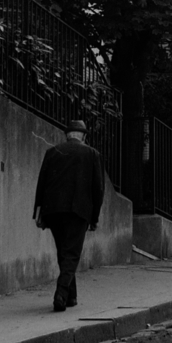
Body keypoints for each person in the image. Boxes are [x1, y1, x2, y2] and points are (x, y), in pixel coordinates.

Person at [33, 119, 105, 312]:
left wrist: (39, 213)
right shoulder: (92, 154)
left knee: (63, 252)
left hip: (53, 210)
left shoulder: (52, 152)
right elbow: (98, 189)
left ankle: (71, 296)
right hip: (78, 211)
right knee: (71, 254)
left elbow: (41, 184)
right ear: (84, 136)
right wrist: (95, 217)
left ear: (66, 135)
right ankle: (61, 294)